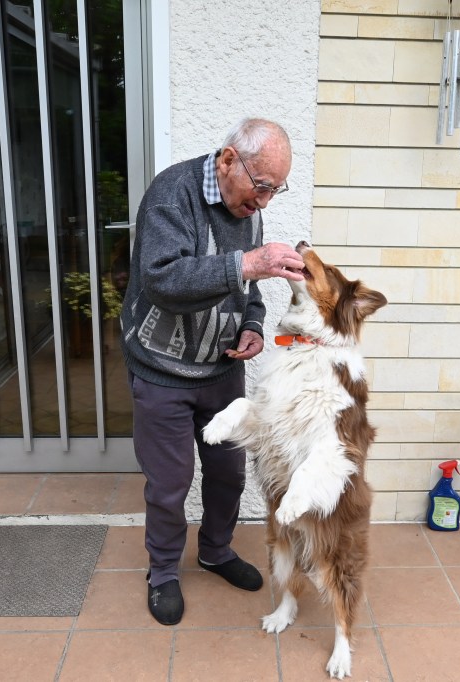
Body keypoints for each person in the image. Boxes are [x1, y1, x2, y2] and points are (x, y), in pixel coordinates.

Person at [119, 118, 304, 625]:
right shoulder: (171, 195)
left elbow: (248, 286)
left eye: (275, 190)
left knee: (228, 473)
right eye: (261, 186)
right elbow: (162, 279)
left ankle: (215, 551)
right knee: (170, 482)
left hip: (221, 370)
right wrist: (246, 264)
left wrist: (253, 325)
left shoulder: (248, 208)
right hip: (160, 369)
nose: (264, 201)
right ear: (227, 161)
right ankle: (162, 572)